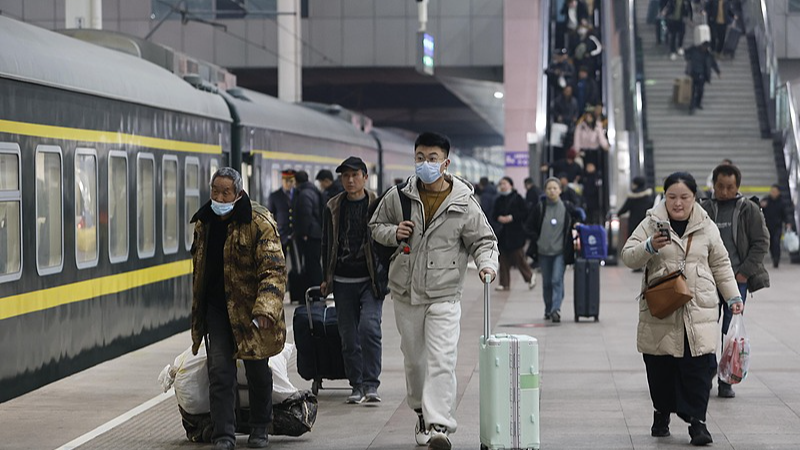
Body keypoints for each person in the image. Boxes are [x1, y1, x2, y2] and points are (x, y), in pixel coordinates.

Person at [368, 131, 498, 450]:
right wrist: (393, 233)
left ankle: (440, 423)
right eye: (421, 157)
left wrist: (487, 264)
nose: (426, 164)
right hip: (406, 291)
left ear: (446, 163)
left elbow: (483, 240)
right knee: (415, 362)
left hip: (445, 293)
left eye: (433, 158)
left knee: (442, 358)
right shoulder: (398, 196)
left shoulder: (463, 202)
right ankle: (421, 412)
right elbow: (375, 227)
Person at [621, 172, 742, 446]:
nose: (678, 203)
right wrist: (649, 246)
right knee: (660, 367)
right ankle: (661, 413)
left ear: (694, 198)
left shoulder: (706, 226)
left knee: (700, 367)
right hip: (661, 310)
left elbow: (721, 264)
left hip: (698, 309)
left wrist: (733, 297)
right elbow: (628, 256)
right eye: (672, 197)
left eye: (684, 197)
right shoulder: (651, 223)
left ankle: (697, 423)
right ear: (664, 197)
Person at [189, 167, 287, 450]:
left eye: (225, 192)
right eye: (215, 191)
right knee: (219, 371)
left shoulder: (258, 221)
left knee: (257, 370)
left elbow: (274, 269)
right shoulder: (204, 222)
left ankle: (260, 427)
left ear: (239, 194)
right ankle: (224, 434)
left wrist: (266, 309)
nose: (219, 197)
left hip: (251, 311)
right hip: (218, 309)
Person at [700, 164, 769, 398]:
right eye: (720, 186)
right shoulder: (704, 208)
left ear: (737, 186)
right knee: (706, 328)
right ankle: (705, 375)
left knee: (730, 331)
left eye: (730, 187)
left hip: (736, 281)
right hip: (708, 280)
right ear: (714, 185)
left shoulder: (748, 209)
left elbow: (761, 243)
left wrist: (743, 273)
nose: (725, 191)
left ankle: (726, 379)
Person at [320, 157, 385, 405]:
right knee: (348, 337)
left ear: (365, 177)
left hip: (370, 279)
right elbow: (326, 243)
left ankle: (371, 384)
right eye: (345, 176)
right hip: (343, 279)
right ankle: (356, 385)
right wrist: (325, 278)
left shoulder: (378, 204)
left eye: (355, 175)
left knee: (369, 328)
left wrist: (385, 272)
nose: (349, 180)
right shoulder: (333, 206)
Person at [526, 177, 581, 323]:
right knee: (547, 282)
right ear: (545, 191)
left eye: (555, 188)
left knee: (557, 280)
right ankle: (548, 308)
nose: (552, 191)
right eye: (549, 188)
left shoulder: (567, 207)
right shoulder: (540, 207)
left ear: (560, 190)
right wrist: (537, 239)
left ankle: (556, 309)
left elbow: (579, 217)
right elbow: (528, 226)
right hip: (543, 251)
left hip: (560, 252)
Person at [493, 177, 535, 291]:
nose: (502, 186)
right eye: (501, 184)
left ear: (511, 185)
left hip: (515, 233)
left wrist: (512, 217)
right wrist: (499, 218)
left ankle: (530, 277)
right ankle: (504, 283)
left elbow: (525, 213)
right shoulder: (498, 200)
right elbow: (493, 214)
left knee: (519, 258)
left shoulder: (518, 198)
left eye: (505, 183)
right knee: (503, 260)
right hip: (503, 234)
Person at [294, 170, 324, 289]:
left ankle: (316, 291)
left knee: (311, 264)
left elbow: (305, 214)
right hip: (316, 233)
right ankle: (316, 290)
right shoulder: (313, 191)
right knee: (314, 263)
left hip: (311, 234)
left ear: (296, 181)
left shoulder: (304, 194)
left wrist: (304, 233)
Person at [761, 184, 795, 268]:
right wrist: (761, 205)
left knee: (776, 242)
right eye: (772, 191)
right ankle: (773, 257)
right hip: (767, 225)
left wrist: (788, 222)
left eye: (775, 191)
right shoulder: (766, 200)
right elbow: (759, 210)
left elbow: (785, 214)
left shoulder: (782, 202)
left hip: (777, 226)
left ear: (778, 192)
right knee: (771, 243)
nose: (773, 193)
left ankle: (776, 259)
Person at [684, 41, 721, 114]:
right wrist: (688, 58)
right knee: (693, 91)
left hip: (702, 75)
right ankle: (692, 107)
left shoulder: (708, 55)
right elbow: (686, 52)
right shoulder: (694, 49)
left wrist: (718, 72)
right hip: (694, 73)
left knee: (700, 90)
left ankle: (698, 103)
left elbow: (713, 63)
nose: (705, 48)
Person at [617, 176, 655, 243]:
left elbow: (624, 208)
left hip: (634, 223)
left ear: (636, 184)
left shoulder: (633, 196)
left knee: (634, 240)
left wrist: (618, 214)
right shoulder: (649, 196)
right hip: (646, 222)